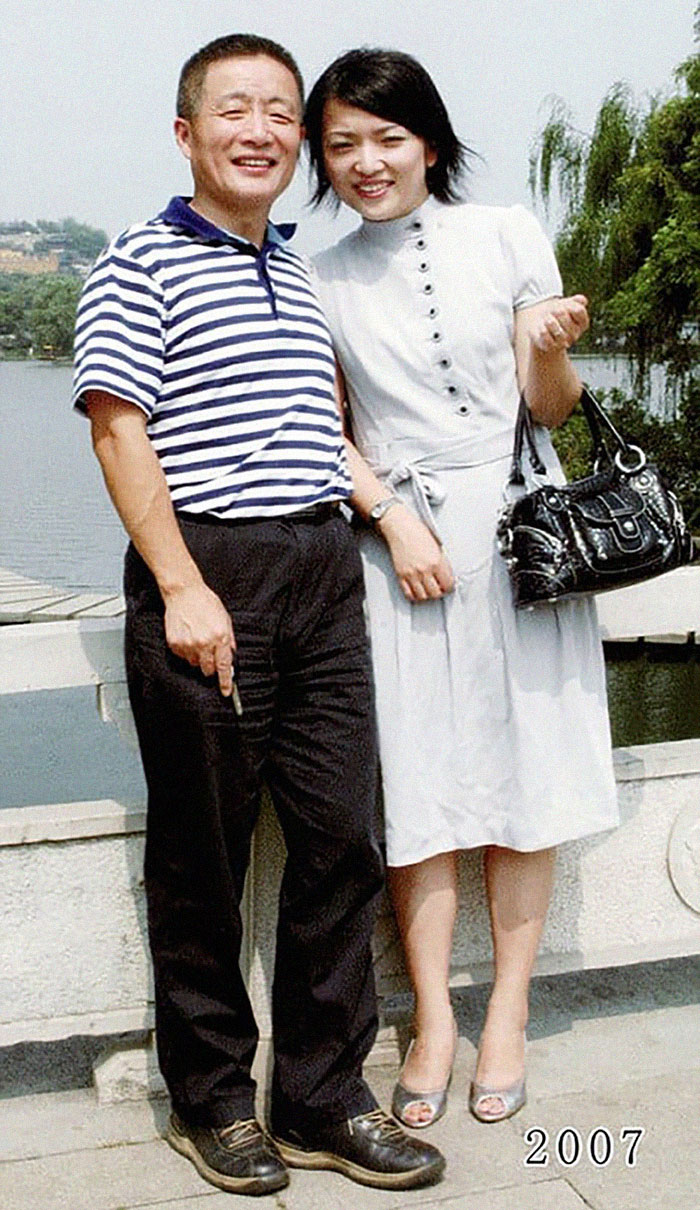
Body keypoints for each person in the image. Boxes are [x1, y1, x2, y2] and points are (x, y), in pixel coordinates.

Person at [72, 34, 445, 1196]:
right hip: (210, 568)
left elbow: (328, 426)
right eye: (233, 109)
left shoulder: (297, 266)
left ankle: (325, 1098)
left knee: (341, 840)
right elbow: (116, 426)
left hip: (323, 568)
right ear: (186, 133)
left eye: (281, 113)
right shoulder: (139, 260)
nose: (261, 130)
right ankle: (214, 1103)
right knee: (204, 853)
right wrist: (182, 585)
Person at [305, 48, 619, 1128]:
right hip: (403, 550)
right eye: (341, 143)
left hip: (522, 536)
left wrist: (546, 347)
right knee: (425, 785)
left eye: (386, 137)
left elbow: (553, 407)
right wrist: (391, 523)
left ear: (427, 141)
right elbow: (327, 431)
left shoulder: (507, 232)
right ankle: (434, 1017)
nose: (365, 161)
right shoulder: (319, 269)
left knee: (526, 779)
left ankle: (508, 1016)